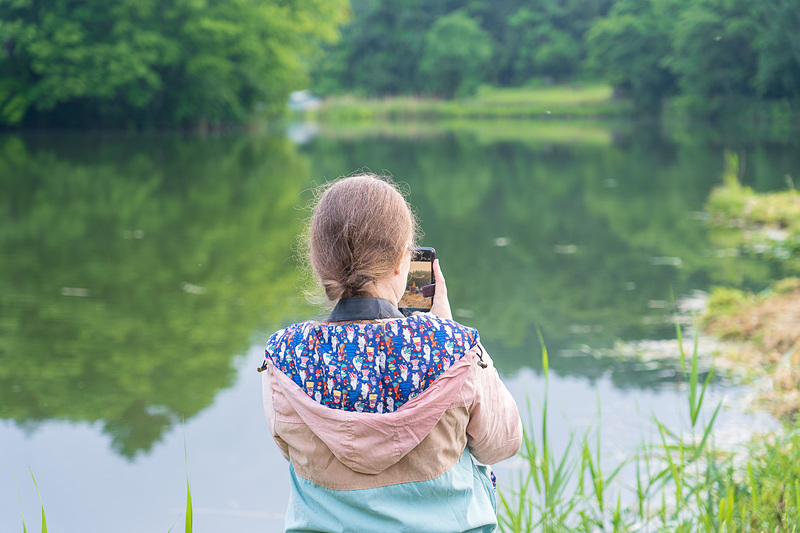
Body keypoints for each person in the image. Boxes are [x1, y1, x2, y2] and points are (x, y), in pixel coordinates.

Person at [260, 174, 522, 533]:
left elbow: (293, 448)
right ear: (403, 261)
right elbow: (502, 444)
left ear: (319, 264)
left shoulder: (284, 356)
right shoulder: (453, 348)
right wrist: (448, 330)